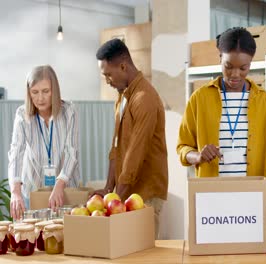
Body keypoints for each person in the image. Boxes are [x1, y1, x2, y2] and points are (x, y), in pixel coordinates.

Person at [177, 27, 266, 185]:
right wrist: (198, 156)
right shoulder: (200, 98)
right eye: (228, 66)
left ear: (250, 64)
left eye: (243, 68)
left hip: (252, 192)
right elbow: (183, 147)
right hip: (211, 193)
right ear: (220, 58)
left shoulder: (265, 101)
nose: (235, 74)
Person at [93, 39, 168, 237]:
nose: (107, 81)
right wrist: (108, 189)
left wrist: (115, 199)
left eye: (108, 74)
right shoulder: (122, 97)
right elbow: (116, 148)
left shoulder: (144, 98)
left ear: (123, 66)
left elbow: (136, 153)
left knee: (143, 257)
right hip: (126, 192)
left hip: (146, 195)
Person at [8, 65, 80, 220]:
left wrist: (59, 185)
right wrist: (15, 191)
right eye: (34, 92)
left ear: (54, 90)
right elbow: (16, 152)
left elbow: (72, 152)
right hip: (34, 188)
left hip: (65, 190)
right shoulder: (22, 115)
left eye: (45, 91)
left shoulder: (69, 111)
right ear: (29, 93)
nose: (40, 98)